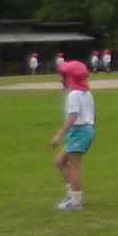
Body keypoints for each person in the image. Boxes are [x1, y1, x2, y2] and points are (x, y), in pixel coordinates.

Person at [48, 59, 95, 211]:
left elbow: (73, 116)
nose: (61, 80)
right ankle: (73, 192)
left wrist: (59, 136)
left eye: (64, 77)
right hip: (86, 129)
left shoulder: (74, 95)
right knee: (60, 162)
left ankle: (75, 200)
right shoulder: (86, 93)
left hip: (79, 130)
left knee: (74, 166)